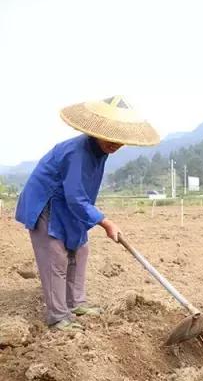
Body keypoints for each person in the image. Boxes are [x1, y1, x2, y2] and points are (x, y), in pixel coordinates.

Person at [15, 96, 160, 331]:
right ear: (97, 130)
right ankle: (58, 316)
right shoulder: (77, 152)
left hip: (69, 204)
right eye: (111, 137)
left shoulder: (100, 152)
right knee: (56, 257)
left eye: (120, 139)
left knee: (80, 249)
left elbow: (80, 194)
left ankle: (76, 304)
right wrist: (105, 221)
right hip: (47, 203)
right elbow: (74, 196)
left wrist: (91, 217)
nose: (116, 144)